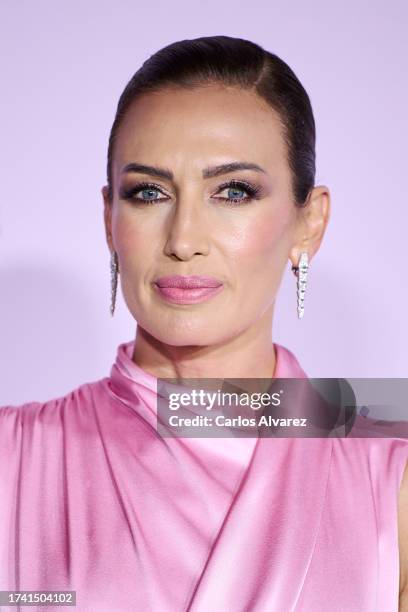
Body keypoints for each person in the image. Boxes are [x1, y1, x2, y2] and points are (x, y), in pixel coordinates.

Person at [1, 35, 407, 612]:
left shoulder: (391, 467)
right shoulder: (13, 461)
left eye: (233, 192)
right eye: (148, 193)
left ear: (308, 222)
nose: (183, 239)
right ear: (109, 219)